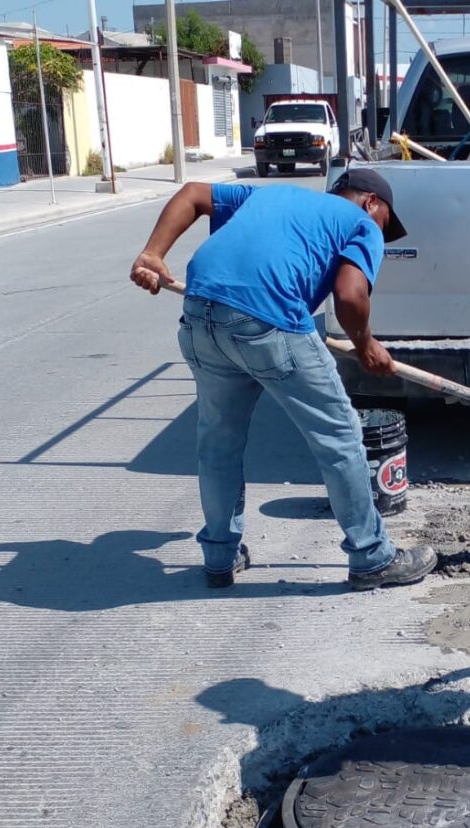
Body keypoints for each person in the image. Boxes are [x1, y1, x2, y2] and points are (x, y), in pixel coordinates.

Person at [129, 168, 436, 591]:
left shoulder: (269, 195)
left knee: (219, 441)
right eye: (386, 224)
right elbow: (349, 295)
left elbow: (193, 193)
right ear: (371, 203)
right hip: (268, 318)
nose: (381, 235)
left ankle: (220, 556)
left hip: (201, 315)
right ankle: (372, 557)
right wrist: (365, 344)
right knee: (340, 436)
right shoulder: (361, 222)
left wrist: (153, 252)